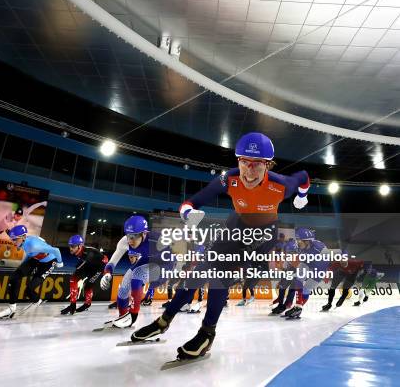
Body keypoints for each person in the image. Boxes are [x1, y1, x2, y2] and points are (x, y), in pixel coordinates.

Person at [131, 132, 310, 361]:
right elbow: (191, 201)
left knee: (220, 275)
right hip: (235, 226)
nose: (249, 171)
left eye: (257, 164)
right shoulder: (229, 179)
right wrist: (187, 212)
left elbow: (303, 175)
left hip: (263, 235)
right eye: (244, 162)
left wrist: (302, 196)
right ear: (238, 161)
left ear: (268, 165)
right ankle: (163, 321)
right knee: (196, 275)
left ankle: (207, 332)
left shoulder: (281, 185)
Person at [99, 215, 172, 328]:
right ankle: (123, 317)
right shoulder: (124, 241)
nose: (130, 241)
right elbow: (113, 261)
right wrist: (107, 273)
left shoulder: (157, 239)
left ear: (144, 233)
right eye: (128, 236)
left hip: (164, 263)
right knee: (124, 287)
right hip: (146, 260)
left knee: (137, 277)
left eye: (133, 237)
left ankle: (133, 316)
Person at [0, 225, 63, 319]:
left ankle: (36, 300)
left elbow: (56, 250)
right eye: (12, 239)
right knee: (13, 278)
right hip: (35, 258)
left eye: (15, 239)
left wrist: (60, 262)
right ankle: (11, 308)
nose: (13, 242)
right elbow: (30, 254)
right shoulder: (22, 242)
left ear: (23, 237)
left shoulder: (34, 246)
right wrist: (22, 266)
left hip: (48, 262)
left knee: (29, 289)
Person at [282, 228, 331, 319]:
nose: (298, 243)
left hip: (319, 266)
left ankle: (298, 308)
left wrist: (326, 273)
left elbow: (324, 265)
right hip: (309, 263)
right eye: (297, 241)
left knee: (307, 289)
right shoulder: (300, 247)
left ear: (307, 241)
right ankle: (298, 306)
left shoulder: (320, 249)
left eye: (299, 241)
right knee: (298, 278)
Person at [60, 234, 108, 315]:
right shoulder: (80, 252)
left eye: (73, 246)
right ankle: (73, 304)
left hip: (100, 267)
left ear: (80, 246)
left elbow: (83, 264)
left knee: (88, 286)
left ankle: (87, 304)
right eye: (70, 246)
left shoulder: (88, 253)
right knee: (73, 279)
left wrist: (106, 272)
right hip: (89, 264)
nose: (70, 248)